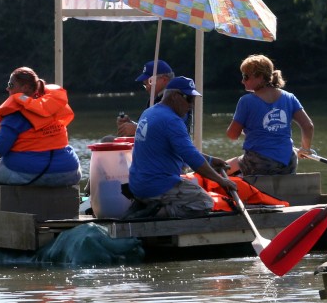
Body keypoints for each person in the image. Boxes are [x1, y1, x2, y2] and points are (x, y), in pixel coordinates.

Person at [127, 76, 236, 218]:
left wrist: (210, 160)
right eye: (189, 99)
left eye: (193, 99)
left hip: (137, 184)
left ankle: (147, 204)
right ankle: (153, 214)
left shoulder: (149, 112)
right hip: (156, 185)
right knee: (204, 202)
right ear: (174, 96)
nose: (191, 105)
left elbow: (184, 151)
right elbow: (192, 158)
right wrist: (221, 181)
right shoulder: (171, 120)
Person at [0, 67, 83, 189]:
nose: (7, 88)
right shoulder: (53, 108)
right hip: (69, 173)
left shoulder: (15, 114)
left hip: (29, 174)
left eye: (11, 85)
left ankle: (5, 208)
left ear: (25, 88)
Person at [225, 54, 315, 177]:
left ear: (260, 77)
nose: (242, 81)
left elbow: (232, 135)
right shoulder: (290, 97)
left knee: (219, 169)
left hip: (258, 163)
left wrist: (245, 130)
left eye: (246, 77)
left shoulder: (246, 101)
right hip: (289, 162)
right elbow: (308, 126)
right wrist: (305, 149)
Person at [116, 59, 174, 137]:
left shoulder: (175, 100)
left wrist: (137, 129)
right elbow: (148, 126)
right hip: (154, 145)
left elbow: (170, 131)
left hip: (167, 148)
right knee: (108, 139)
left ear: (164, 79)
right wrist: (130, 124)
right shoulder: (154, 99)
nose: (147, 88)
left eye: (149, 82)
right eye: (145, 84)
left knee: (108, 140)